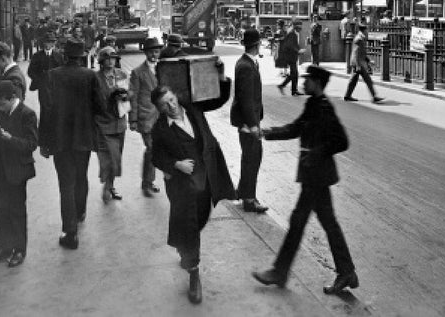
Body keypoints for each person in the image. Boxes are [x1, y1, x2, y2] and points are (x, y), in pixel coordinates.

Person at [252, 64, 359, 296]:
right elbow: (295, 129)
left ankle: (280, 271)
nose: (303, 82)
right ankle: (346, 271)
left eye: (308, 79)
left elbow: (342, 141)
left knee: (299, 222)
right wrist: (267, 133)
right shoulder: (312, 104)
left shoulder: (324, 108)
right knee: (324, 223)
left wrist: (317, 152)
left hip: (317, 176)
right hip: (314, 176)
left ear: (317, 83)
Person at [151, 75, 235, 305]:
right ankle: (194, 275)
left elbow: (218, 100)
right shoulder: (159, 129)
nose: (171, 106)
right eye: (164, 105)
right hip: (182, 184)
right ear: (159, 109)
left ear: (176, 96)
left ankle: (184, 246)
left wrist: (223, 80)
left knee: (200, 218)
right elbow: (155, 156)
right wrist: (176, 165)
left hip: (206, 176)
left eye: (171, 100)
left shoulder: (194, 109)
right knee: (189, 226)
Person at [46, 38, 104, 250]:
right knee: (81, 176)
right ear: (81, 57)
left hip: (61, 139)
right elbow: (100, 107)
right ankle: (80, 212)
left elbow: (47, 111)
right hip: (84, 138)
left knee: (65, 184)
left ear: (64, 55)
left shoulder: (53, 75)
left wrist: (45, 142)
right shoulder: (90, 76)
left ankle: (70, 233)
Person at [0, 81, 38, 269]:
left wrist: (10, 139)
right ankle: (4, 247)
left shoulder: (27, 114)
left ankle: (19, 249)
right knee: (0, 208)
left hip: (16, 170)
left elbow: (31, 144)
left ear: (12, 98)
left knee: (16, 210)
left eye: (2, 104)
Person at [230, 28, 268, 213]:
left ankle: (242, 192)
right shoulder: (246, 66)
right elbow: (246, 99)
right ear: (257, 44)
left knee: (249, 158)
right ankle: (249, 200)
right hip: (248, 123)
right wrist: (253, 125)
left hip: (248, 121)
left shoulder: (246, 62)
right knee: (252, 159)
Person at [95, 47, 130, 203]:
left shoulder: (121, 75)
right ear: (101, 61)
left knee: (117, 158)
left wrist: (125, 95)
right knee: (109, 158)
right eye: (107, 58)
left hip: (120, 123)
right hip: (103, 124)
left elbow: (130, 95)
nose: (110, 61)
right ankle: (108, 185)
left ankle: (110, 184)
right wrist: (111, 94)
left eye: (113, 58)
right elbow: (93, 101)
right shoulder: (95, 78)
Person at [129, 36, 162, 197]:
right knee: (151, 149)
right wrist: (133, 119)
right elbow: (133, 97)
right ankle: (147, 183)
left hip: (161, 117)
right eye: (151, 52)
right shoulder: (137, 73)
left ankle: (150, 180)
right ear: (146, 53)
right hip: (145, 117)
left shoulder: (163, 69)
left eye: (156, 51)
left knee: (156, 149)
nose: (154, 55)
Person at [27, 30, 63, 151]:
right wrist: (40, 80)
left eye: (51, 42)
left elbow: (63, 71)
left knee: (55, 110)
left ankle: (54, 137)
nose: (48, 44)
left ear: (53, 44)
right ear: (43, 43)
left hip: (56, 88)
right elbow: (30, 71)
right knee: (45, 111)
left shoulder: (58, 56)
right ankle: (44, 140)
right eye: (46, 42)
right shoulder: (37, 56)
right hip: (43, 88)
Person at [344, 22, 384, 103]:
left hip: (358, 62)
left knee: (354, 80)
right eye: (367, 30)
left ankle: (347, 96)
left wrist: (368, 61)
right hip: (358, 63)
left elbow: (362, 53)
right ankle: (374, 96)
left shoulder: (360, 38)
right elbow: (357, 53)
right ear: (363, 30)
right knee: (367, 79)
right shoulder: (359, 39)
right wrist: (358, 65)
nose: (367, 32)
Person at [278, 19, 304, 96]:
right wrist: (298, 51)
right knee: (294, 73)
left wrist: (299, 49)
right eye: (300, 26)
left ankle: (292, 90)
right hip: (290, 56)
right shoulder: (292, 33)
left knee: (294, 74)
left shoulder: (292, 32)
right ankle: (288, 88)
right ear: (296, 26)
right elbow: (290, 46)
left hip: (291, 56)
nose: (301, 28)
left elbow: (294, 45)